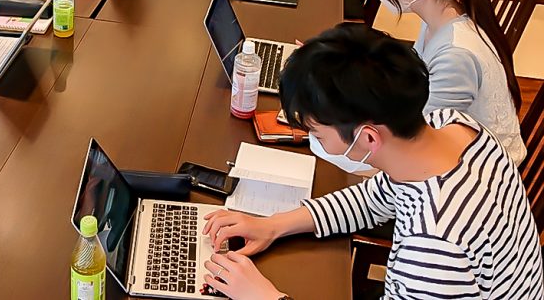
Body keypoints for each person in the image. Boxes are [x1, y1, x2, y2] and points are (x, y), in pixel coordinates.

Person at [201, 24, 542, 300]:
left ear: (368, 138)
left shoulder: (433, 245)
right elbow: (373, 198)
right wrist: (274, 225)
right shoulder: (453, 126)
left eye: (318, 134)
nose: (316, 142)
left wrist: (266, 297)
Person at [368, 0, 525, 164]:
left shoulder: (456, 55)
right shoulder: (443, 11)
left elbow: (420, 140)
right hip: (451, 147)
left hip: (482, 170)